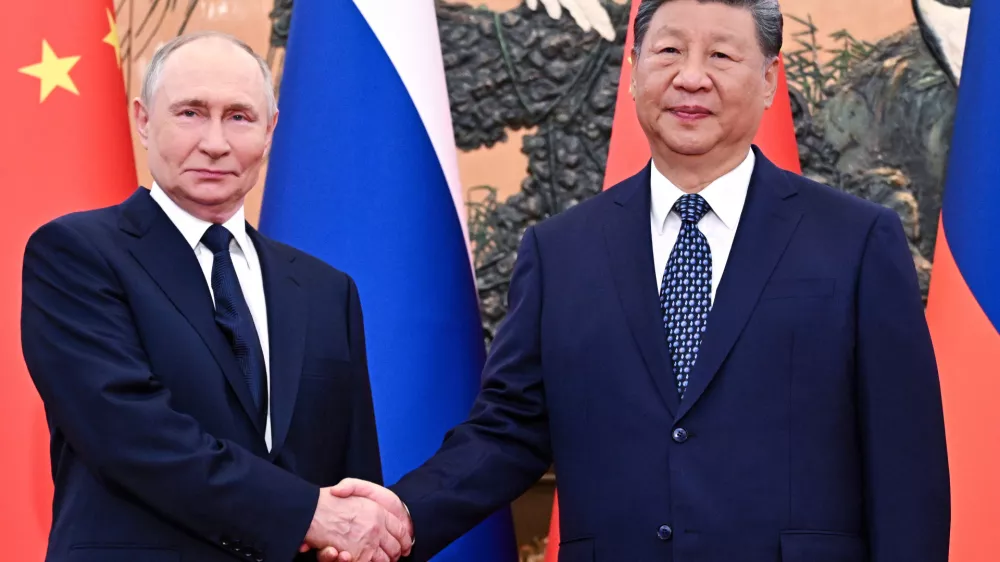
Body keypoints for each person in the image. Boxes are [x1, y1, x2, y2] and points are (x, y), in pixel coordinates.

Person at [327, 1, 951, 560]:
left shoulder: (857, 241)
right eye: (670, 50)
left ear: (768, 82)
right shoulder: (559, 251)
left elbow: (906, 465)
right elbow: (509, 428)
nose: (691, 76)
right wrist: (404, 514)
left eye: (722, 55)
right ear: (632, 72)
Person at [20, 31, 411, 562]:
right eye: (190, 112)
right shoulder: (76, 254)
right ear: (142, 119)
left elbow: (353, 478)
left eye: (239, 117)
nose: (215, 142)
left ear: (270, 130)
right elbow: (130, 433)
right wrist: (308, 513)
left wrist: (360, 531)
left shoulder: (327, 290)